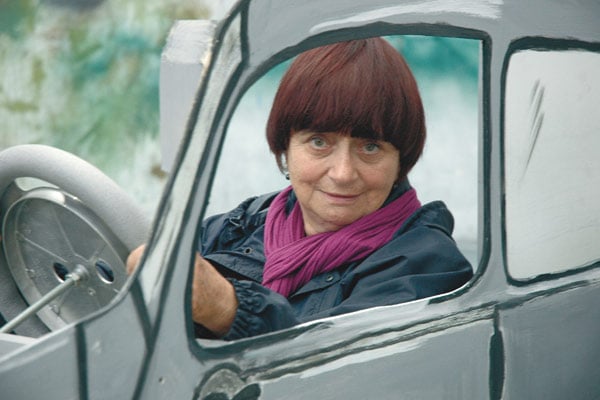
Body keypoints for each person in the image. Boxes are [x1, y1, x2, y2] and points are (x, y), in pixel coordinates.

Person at [127, 37, 473, 340]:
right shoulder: (240, 226)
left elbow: (341, 376)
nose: (342, 173)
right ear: (284, 149)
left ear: (401, 161)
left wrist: (232, 310)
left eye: (370, 147)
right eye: (319, 141)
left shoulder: (429, 268)